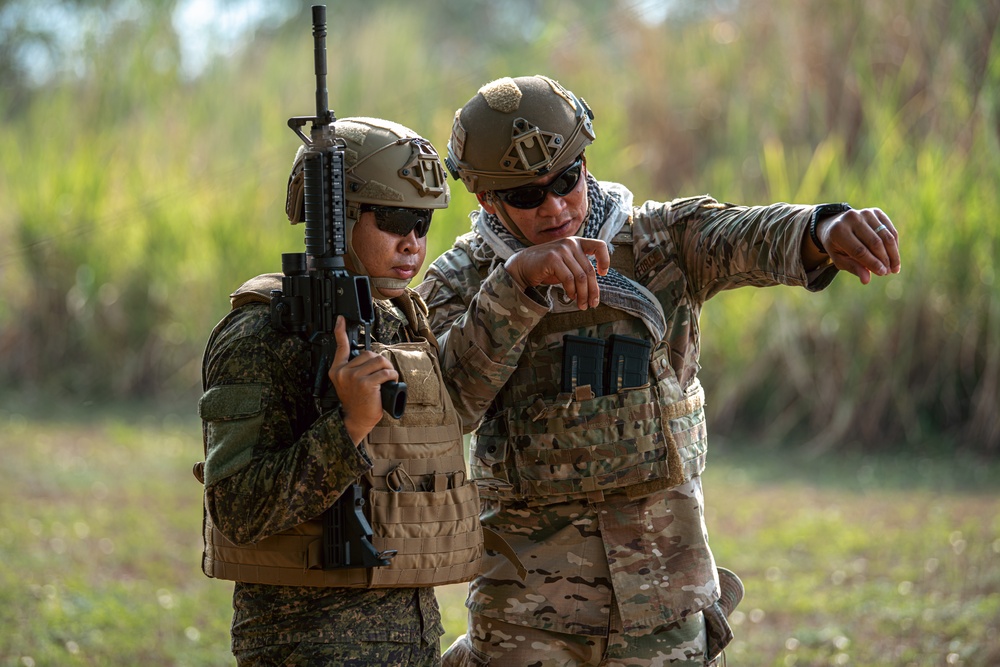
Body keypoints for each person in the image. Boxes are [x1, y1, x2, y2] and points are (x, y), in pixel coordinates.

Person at [416, 75, 902, 667]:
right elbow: (445, 410)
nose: (555, 206)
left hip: (663, 594)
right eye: (525, 196)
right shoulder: (459, 282)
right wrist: (515, 288)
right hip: (525, 611)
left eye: (566, 181)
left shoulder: (657, 242)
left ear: (585, 164)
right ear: (487, 200)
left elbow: (742, 234)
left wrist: (822, 229)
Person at [195, 117, 485, 666]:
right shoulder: (262, 335)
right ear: (341, 216)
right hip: (308, 643)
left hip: (409, 636)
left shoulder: (394, 321)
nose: (413, 244)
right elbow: (236, 510)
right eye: (396, 219)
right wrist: (348, 426)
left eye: (422, 223)